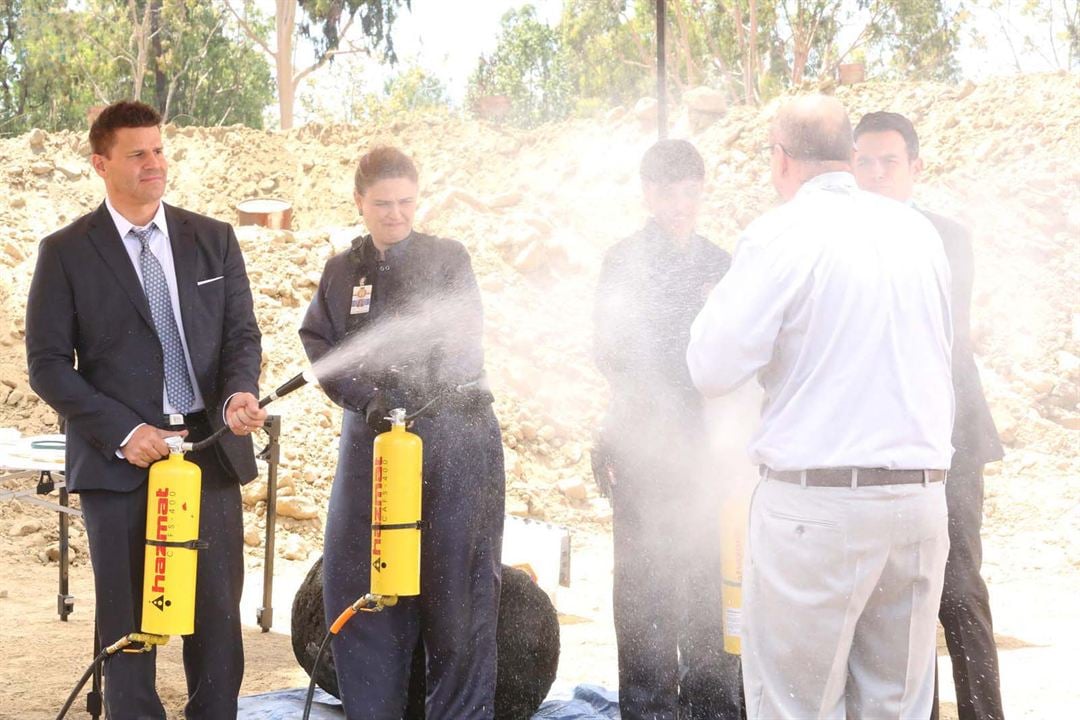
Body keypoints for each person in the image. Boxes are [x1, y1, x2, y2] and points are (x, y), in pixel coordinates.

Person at [686, 95, 955, 719]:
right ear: (847, 153)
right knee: (895, 706)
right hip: (919, 501)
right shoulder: (915, 230)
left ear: (781, 159)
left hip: (819, 509)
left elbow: (712, 367)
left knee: (796, 705)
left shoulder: (780, 234)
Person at [25, 100, 266, 719]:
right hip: (120, 463)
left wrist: (240, 391)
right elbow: (49, 365)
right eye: (137, 154)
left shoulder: (212, 239)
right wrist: (123, 430)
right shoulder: (66, 252)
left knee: (215, 621)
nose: (154, 163)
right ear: (101, 163)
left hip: (207, 453)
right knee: (129, 627)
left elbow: (242, 335)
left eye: (158, 149)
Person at [299, 146, 504, 719]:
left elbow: (463, 338)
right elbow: (319, 345)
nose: (396, 214)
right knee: (363, 585)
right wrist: (367, 398)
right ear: (359, 203)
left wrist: (422, 395)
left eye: (407, 203)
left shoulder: (447, 259)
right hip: (373, 445)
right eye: (383, 204)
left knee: (458, 594)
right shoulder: (343, 270)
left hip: (454, 441)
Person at [854, 111, 1005, 720]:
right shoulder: (836, 241)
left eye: (889, 161)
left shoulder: (946, 238)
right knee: (893, 606)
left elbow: (926, 340)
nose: (876, 173)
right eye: (863, 161)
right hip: (873, 448)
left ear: (915, 168)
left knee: (959, 592)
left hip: (949, 442)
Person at [593, 138, 742, 720]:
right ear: (648, 194)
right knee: (645, 587)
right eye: (668, 192)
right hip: (641, 448)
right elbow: (610, 353)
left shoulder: (721, 264)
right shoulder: (623, 260)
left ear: (702, 190)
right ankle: (649, 707)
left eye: (690, 191)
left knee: (709, 580)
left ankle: (713, 706)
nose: (681, 203)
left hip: (708, 454)